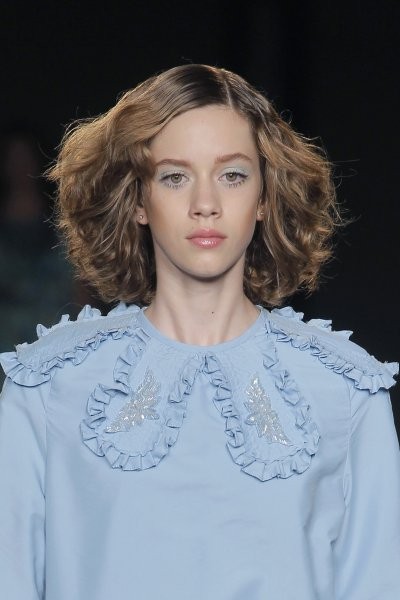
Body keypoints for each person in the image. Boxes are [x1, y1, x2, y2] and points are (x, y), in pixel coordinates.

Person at [0, 64, 399, 600]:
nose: (205, 204)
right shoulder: (46, 388)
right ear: (137, 200)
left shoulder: (347, 392)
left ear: (265, 196)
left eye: (232, 175)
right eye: (174, 176)